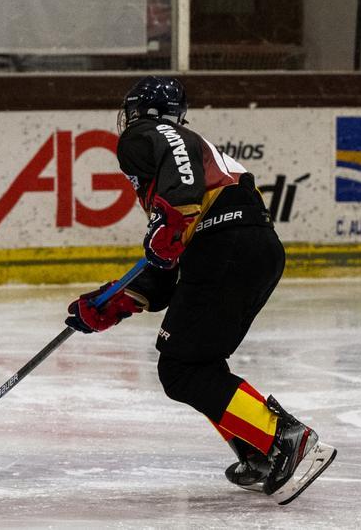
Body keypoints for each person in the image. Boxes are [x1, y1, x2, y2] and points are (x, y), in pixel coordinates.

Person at [64, 76, 336, 505]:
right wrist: (113, 300)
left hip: (227, 248)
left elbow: (175, 161)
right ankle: (256, 450)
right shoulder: (194, 171)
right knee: (199, 361)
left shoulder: (154, 139)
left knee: (181, 369)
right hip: (248, 250)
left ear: (139, 114)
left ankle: (283, 438)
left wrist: (173, 217)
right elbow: (164, 268)